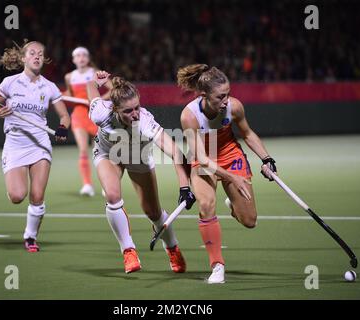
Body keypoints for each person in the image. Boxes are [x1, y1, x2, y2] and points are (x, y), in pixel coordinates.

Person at [87, 70, 196, 274]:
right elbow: (91, 91)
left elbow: (176, 153)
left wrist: (184, 187)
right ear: (115, 109)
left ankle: (172, 247)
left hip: (138, 156)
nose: (135, 114)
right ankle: (128, 250)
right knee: (112, 195)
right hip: (108, 154)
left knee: (153, 212)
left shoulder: (145, 122)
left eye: (137, 107)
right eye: (128, 111)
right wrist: (94, 81)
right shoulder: (101, 112)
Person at [178, 64, 277, 284]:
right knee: (206, 206)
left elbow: (248, 134)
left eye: (228, 94)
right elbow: (202, 160)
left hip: (229, 153)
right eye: (220, 96)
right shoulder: (189, 116)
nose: (226, 100)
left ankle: (233, 205)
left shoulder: (235, 107)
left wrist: (267, 159)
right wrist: (232, 178)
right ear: (204, 95)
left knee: (249, 221)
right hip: (204, 156)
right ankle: (217, 266)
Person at [0, 40, 70, 252]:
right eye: (32, 53)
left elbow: (64, 115)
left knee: (37, 195)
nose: (37, 56)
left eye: (40, 54)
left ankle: (30, 237)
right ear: (23, 58)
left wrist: (62, 127)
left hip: (40, 144)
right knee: (16, 196)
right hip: (15, 144)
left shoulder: (49, 87)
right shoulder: (9, 82)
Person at [64, 47, 113, 196]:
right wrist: (58, 95)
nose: (81, 57)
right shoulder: (69, 77)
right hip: (79, 116)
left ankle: (107, 185)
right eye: (78, 55)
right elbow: (70, 94)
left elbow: (112, 90)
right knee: (83, 150)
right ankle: (87, 185)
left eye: (84, 54)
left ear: (88, 57)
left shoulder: (95, 73)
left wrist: (96, 100)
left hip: (96, 115)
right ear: (73, 59)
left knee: (102, 151)